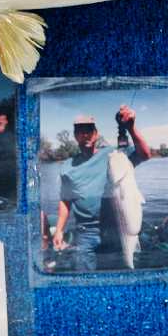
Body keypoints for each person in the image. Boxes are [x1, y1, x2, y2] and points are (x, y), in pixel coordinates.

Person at [44, 106, 151, 273]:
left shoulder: (115, 155)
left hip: (115, 228)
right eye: (80, 131)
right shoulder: (67, 167)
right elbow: (65, 200)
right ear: (75, 136)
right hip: (85, 233)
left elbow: (144, 154)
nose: (84, 134)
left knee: (122, 273)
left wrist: (131, 128)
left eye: (88, 130)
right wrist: (58, 230)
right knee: (83, 279)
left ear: (96, 134)